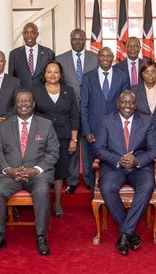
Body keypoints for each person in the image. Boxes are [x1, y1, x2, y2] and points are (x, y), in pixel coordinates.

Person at [0, 90, 59, 256]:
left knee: (41, 191)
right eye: (20, 101)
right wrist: (9, 170)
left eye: (27, 101)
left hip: (37, 174)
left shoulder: (46, 125)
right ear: (15, 104)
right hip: (10, 174)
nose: (24, 104)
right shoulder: (4, 126)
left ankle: (41, 236)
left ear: (33, 104)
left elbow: (53, 152)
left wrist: (35, 170)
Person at [94, 91, 156, 255]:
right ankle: (130, 233)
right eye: (124, 102)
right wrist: (118, 160)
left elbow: (154, 149)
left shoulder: (146, 121)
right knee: (107, 187)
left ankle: (124, 234)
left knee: (147, 185)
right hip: (114, 166)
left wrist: (137, 161)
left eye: (131, 103)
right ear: (118, 104)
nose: (127, 106)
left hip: (139, 166)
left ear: (136, 105)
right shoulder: (106, 121)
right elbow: (99, 149)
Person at [32, 61, 79, 217]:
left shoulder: (68, 91)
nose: (53, 75)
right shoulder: (36, 91)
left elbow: (74, 115)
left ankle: (57, 203)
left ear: (60, 75)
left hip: (63, 137)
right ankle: (42, 202)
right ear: (44, 74)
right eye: (49, 71)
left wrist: (74, 139)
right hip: (41, 137)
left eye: (56, 72)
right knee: (42, 168)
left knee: (59, 170)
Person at [80, 47, 130, 192]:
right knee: (91, 162)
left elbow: (126, 105)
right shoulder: (88, 77)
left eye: (109, 56)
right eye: (102, 55)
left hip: (115, 129)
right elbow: (84, 105)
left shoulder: (122, 76)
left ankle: (111, 192)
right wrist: (86, 129)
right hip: (93, 129)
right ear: (98, 58)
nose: (105, 58)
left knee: (113, 161)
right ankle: (93, 195)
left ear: (113, 58)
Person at [56, 29, 98, 193]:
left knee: (88, 146)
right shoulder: (60, 59)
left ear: (85, 40)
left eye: (80, 39)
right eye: (74, 39)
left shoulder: (95, 58)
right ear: (70, 39)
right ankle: (72, 180)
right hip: (69, 109)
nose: (77, 41)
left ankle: (89, 179)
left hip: (90, 109)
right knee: (71, 145)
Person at [131, 59, 156, 186]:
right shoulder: (134, 90)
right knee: (143, 167)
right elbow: (130, 114)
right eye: (147, 72)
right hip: (141, 136)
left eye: (153, 72)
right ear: (142, 74)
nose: (150, 75)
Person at [9, 22, 55, 89]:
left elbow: (53, 77)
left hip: (43, 95)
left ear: (37, 34)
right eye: (26, 32)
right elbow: (12, 78)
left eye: (32, 32)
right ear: (23, 34)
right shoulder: (14, 54)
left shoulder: (48, 53)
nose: (29, 35)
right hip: (22, 95)